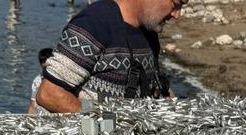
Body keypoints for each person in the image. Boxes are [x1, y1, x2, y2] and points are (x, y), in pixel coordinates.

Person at [36, 0, 187, 113]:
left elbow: (156, 86)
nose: (178, 15)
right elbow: (49, 94)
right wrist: (106, 120)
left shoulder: (149, 32)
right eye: (176, 4)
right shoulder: (95, 23)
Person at [28, 48, 55, 115]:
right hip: (41, 115)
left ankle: (86, 124)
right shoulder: (37, 80)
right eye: (42, 62)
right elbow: (32, 105)